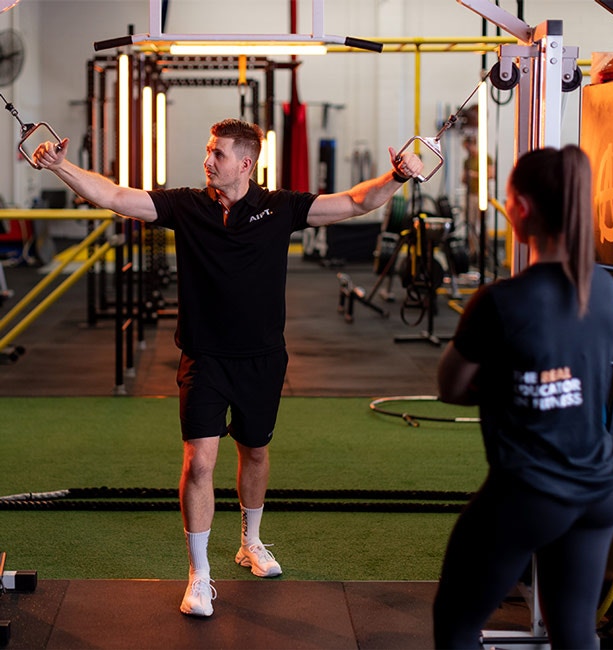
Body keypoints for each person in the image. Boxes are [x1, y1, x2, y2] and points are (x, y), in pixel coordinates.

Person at [32, 118, 424, 618]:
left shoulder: (281, 208)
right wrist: (62, 165)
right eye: (208, 150)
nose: (207, 159)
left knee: (255, 455)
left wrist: (397, 176)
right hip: (205, 357)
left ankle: (250, 542)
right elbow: (114, 196)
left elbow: (354, 202)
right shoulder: (187, 206)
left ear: (246, 162)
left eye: (218, 153)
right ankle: (199, 575)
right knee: (199, 462)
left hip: (262, 358)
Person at [433, 145, 613, 648]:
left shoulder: (501, 301)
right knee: (574, 633)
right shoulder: (605, 289)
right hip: (601, 489)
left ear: (520, 209)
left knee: (455, 625)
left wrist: (510, 383)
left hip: (530, 493)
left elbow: (450, 388)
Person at [461, 134, 495, 260]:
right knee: (470, 224)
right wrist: (465, 177)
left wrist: (474, 175)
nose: (467, 151)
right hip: (470, 195)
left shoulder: (486, 158)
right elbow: (463, 178)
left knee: (483, 223)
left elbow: (491, 174)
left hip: (481, 194)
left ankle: (485, 250)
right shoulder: (467, 161)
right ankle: (473, 250)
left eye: (468, 147)